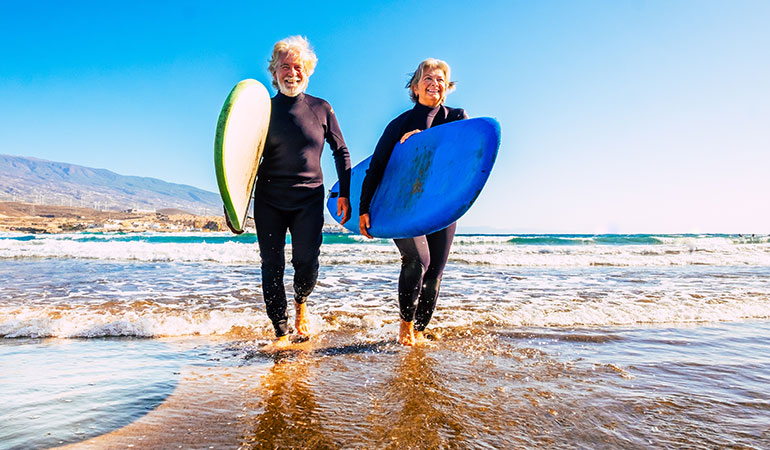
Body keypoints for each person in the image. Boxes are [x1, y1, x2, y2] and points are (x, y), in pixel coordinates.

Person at [359, 58, 467, 346]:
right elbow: (378, 167)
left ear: (447, 87)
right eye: (428, 79)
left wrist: (426, 141)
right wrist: (364, 209)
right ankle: (405, 328)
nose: (435, 84)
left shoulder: (457, 118)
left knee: (435, 272)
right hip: (403, 205)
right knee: (418, 259)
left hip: (441, 205)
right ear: (415, 87)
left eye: (441, 79)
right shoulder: (400, 124)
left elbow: (463, 158)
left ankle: (419, 331)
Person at [252, 36, 351, 348]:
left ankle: (301, 303)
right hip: (269, 198)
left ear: (307, 71)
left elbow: (341, 152)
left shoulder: (321, 108)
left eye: (298, 67)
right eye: (285, 67)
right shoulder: (263, 112)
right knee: (272, 265)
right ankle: (281, 332)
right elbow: (242, 158)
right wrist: (234, 203)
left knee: (306, 262)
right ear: (275, 71)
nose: (291, 73)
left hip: (309, 198)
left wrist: (345, 193)